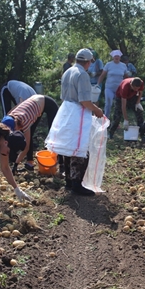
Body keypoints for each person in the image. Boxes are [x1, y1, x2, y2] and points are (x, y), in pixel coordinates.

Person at [45, 48, 104, 196]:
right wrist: (97, 110)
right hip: (77, 112)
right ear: (89, 62)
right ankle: (77, 183)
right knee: (80, 147)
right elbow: (84, 100)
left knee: (68, 145)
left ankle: (69, 181)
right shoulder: (82, 74)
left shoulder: (67, 71)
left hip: (65, 110)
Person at [2, 94, 60, 172]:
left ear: (15, 124)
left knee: (54, 133)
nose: (14, 131)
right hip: (35, 103)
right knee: (29, 135)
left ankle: (61, 162)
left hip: (48, 104)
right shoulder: (9, 116)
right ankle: (30, 163)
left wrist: (16, 164)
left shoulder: (24, 121)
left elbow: (26, 148)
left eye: (14, 129)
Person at [97, 50, 128, 118]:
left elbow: (126, 77)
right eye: (115, 56)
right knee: (108, 104)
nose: (116, 58)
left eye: (118, 56)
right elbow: (102, 75)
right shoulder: (108, 65)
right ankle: (105, 119)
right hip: (109, 88)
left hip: (119, 89)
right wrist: (98, 84)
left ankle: (115, 121)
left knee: (118, 105)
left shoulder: (123, 66)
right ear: (113, 57)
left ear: (120, 57)